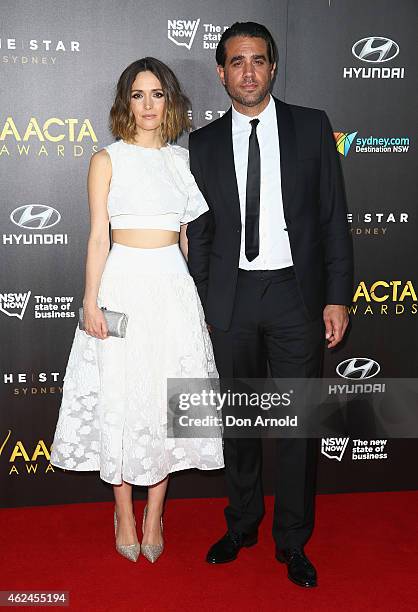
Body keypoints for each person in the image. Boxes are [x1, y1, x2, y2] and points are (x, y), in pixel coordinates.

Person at [187, 22, 353, 587]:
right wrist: (205, 300)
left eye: (258, 60)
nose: (249, 71)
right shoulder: (204, 143)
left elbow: (334, 220)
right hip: (232, 297)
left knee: (297, 426)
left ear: (273, 67)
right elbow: (202, 234)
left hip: (295, 296)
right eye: (237, 61)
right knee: (239, 422)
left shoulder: (311, 127)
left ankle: (292, 540)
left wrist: (337, 296)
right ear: (221, 71)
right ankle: (241, 524)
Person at [50, 57, 224, 563]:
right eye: (137, 95)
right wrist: (90, 301)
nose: (147, 105)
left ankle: (155, 514)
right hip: (122, 285)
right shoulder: (107, 160)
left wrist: (197, 301)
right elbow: (98, 237)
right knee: (122, 398)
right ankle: (124, 512)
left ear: (170, 101)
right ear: (124, 102)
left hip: (172, 288)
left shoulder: (183, 162)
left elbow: (191, 241)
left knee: (168, 403)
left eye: (157, 94)